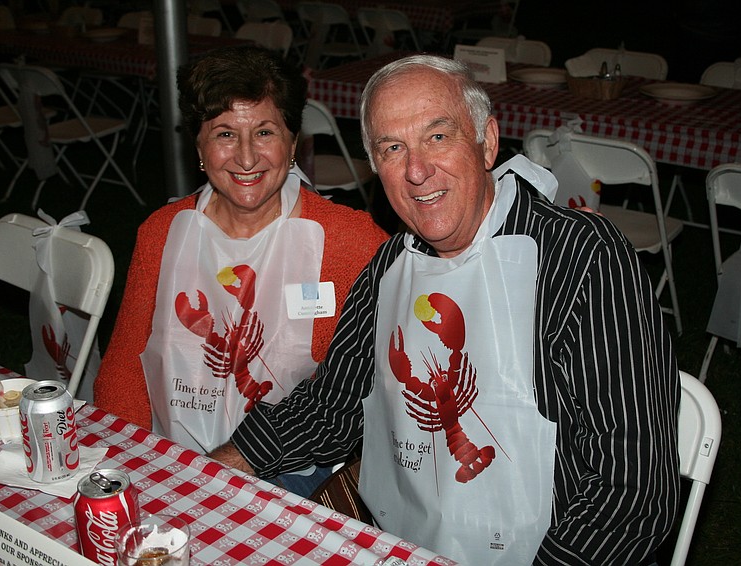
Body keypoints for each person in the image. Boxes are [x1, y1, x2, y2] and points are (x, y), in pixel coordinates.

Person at [212, 54, 681, 565]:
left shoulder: (581, 258)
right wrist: (222, 463)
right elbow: (333, 407)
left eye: (438, 137)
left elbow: (632, 494)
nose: (416, 171)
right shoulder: (391, 264)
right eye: (393, 148)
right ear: (376, 168)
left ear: (488, 142)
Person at [93, 45, 390, 496]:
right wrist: (132, 467)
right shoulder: (161, 233)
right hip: (170, 456)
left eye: (265, 132)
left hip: (298, 466)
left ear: (293, 143)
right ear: (198, 147)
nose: (247, 158)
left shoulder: (351, 241)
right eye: (225, 134)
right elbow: (124, 371)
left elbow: (360, 396)